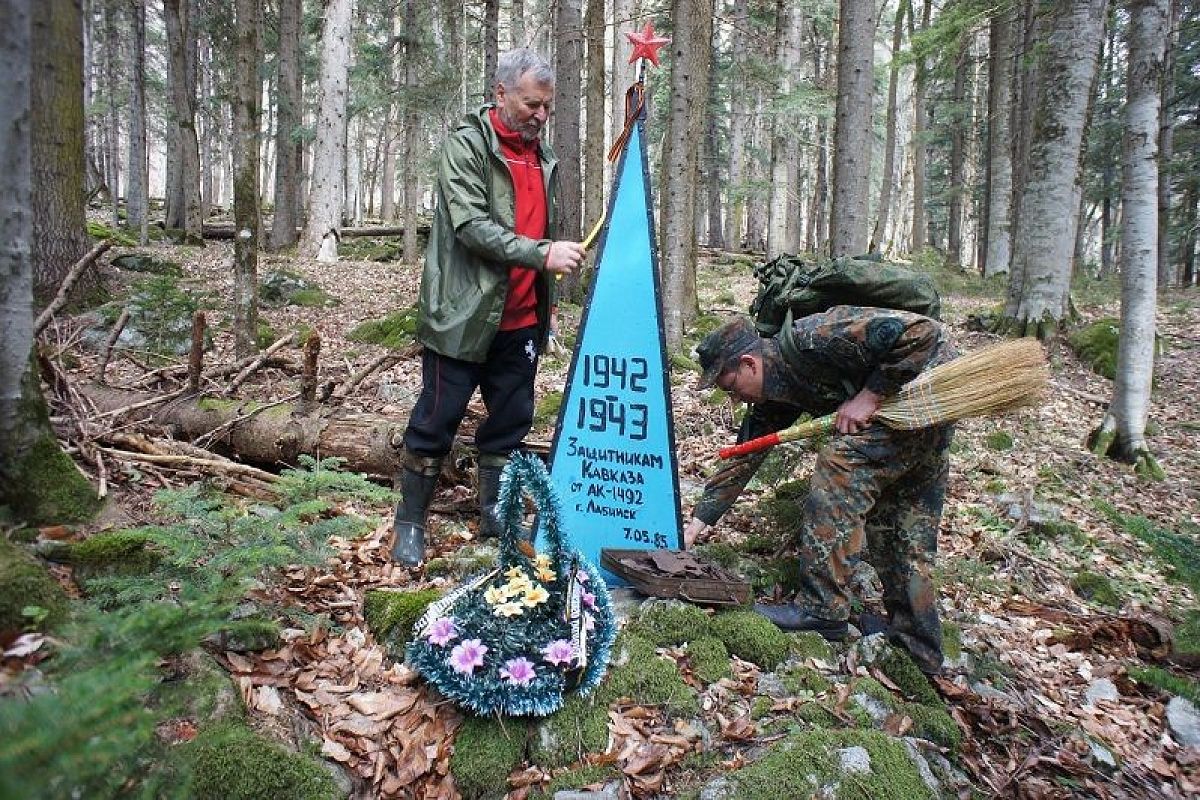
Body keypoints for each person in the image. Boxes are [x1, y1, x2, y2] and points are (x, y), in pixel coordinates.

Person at [391, 49, 586, 567]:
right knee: (436, 421)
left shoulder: (543, 157)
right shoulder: (467, 145)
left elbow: (537, 225)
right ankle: (409, 522)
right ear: (500, 94)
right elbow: (472, 227)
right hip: (461, 316)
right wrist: (543, 253)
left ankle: (494, 515)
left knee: (511, 423)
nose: (541, 116)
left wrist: (552, 257)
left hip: (521, 319)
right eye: (531, 105)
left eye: (547, 107)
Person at [685, 308, 955, 675]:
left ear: (749, 363)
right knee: (902, 524)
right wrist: (697, 525)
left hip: (926, 394)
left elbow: (921, 333)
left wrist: (871, 395)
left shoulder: (816, 337)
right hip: (911, 418)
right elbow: (744, 455)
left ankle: (822, 609)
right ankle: (918, 645)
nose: (734, 400)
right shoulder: (773, 393)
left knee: (839, 464)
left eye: (730, 387)